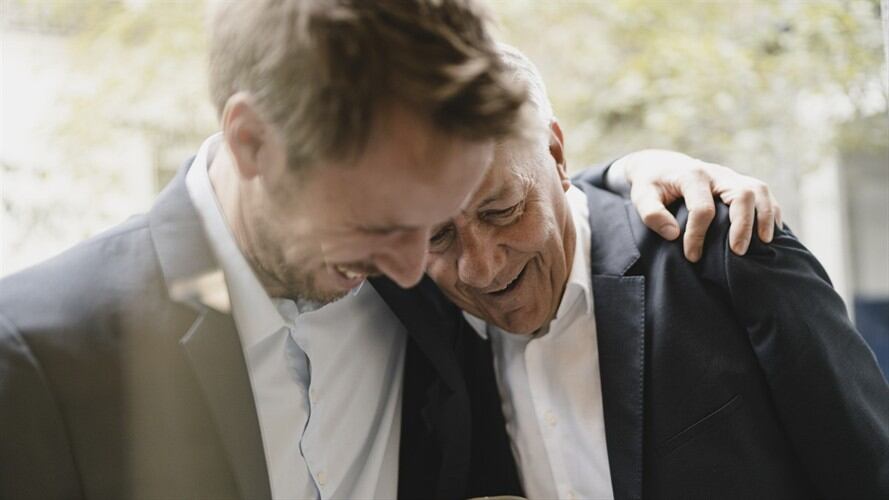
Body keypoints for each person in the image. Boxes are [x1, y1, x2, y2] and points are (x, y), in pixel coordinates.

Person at [0, 2, 782, 499]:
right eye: (381, 224)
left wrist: (627, 175)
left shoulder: (419, 276)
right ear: (253, 144)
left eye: (434, 221)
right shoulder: (36, 356)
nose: (421, 270)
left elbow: (523, 209)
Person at [403, 45, 889, 498]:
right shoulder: (427, 331)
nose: (481, 269)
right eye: (437, 237)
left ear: (556, 155)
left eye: (503, 210)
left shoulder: (726, 247)